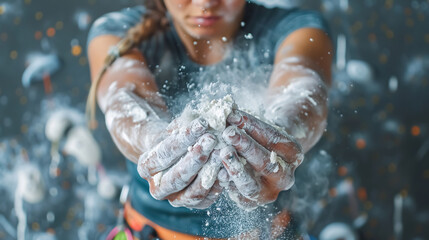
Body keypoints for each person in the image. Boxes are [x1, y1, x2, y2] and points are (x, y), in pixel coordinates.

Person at [86, 0, 333, 239]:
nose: (205, 2)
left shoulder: (299, 28)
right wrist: (158, 147)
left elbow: (303, 93)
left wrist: (279, 139)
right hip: (148, 232)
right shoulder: (115, 32)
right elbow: (125, 102)